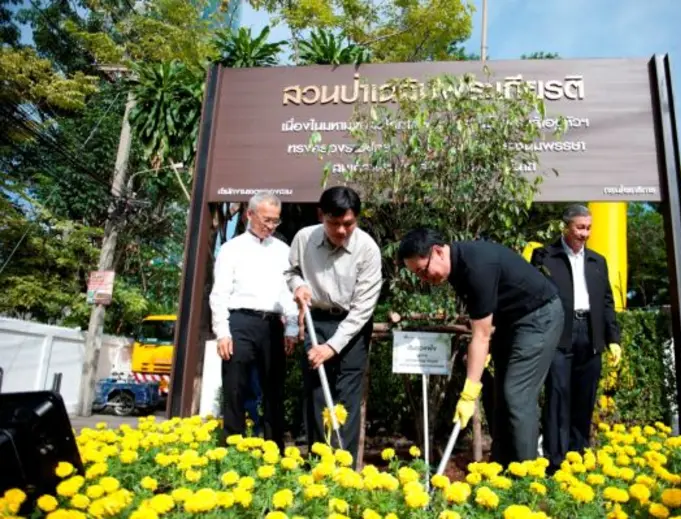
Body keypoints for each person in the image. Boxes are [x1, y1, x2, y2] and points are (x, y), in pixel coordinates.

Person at [398, 228, 564, 465]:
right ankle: (502, 471)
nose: (425, 279)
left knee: (516, 395)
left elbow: (481, 335)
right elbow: (484, 317)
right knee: (501, 399)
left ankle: (528, 474)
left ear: (438, 252)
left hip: (539, 318)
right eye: (418, 275)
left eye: (423, 271)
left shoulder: (476, 266)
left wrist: (468, 393)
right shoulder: (456, 267)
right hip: (510, 322)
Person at [285, 186, 383, 462]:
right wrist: (298, 285)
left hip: (352, 327)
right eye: (334, 223)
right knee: (317, 393)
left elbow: (363, 308)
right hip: (316, 321)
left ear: (357, 219)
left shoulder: (368, 249)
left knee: (347, 399)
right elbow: (291, 271)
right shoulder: (304, 238)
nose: (341, 230)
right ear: (321, 216)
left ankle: (343, 468)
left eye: (348, 224)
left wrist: (332, 347)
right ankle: (319, 466)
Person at [530, 204, 622, 474]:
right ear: (565, 227)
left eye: (589, 228)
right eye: (580, 227)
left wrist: (613, 338)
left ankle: (578, 458)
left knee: (585, 398)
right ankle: (555, 463)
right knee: (558, 397)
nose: (585, 233)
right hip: (558, 334)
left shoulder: (597, 261)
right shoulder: (545, 256)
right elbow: (532, 297)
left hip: (591, 334)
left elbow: (607, 301)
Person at [209, 192, 300, 449]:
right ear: (249, 215)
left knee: (274, 389)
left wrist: (292, 328)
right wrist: (222, 332)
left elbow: (288, 293)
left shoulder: (283, 251)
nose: (270, 226)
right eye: (266, 220)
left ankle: (274, 450)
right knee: (235, 387)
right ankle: (231, 449)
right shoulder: (231, 249)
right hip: (240, 322)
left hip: (273, 324)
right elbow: (219, 293)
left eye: (275, 221)